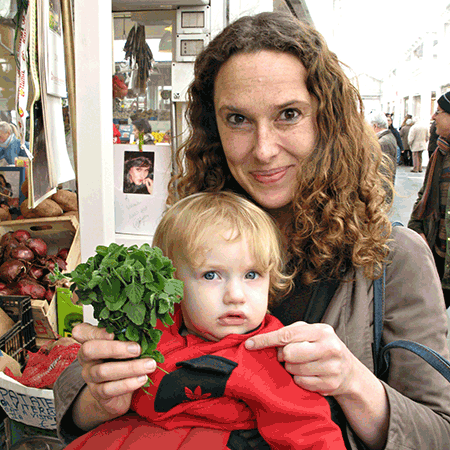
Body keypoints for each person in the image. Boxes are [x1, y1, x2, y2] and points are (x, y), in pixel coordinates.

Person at [54, 12, 450, 450]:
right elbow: (85, 391)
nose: (263, 150)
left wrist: (354, 382)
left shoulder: (394, 259)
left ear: (328, 120)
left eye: (289, 114)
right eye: (238, 119)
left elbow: (439, 433)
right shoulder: (195, 230)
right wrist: (100, 395)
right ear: (213, 127)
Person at [63, 191, 347, 450]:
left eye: (252, 275)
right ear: (171, 284)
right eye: (211, 275)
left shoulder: (268, 354)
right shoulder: (151, 333)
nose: (235, 295)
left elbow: (310, 429)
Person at [408, 91, 450, 309]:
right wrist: (417, 229)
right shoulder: (440, 153)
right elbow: (423, 194)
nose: (434, 117)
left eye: (439, 112)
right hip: (439, 254)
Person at [367, 111, 397, 184]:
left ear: (375, 126)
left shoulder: (383, 143)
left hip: (382, 189)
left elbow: (383, 172)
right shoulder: (387, 138)